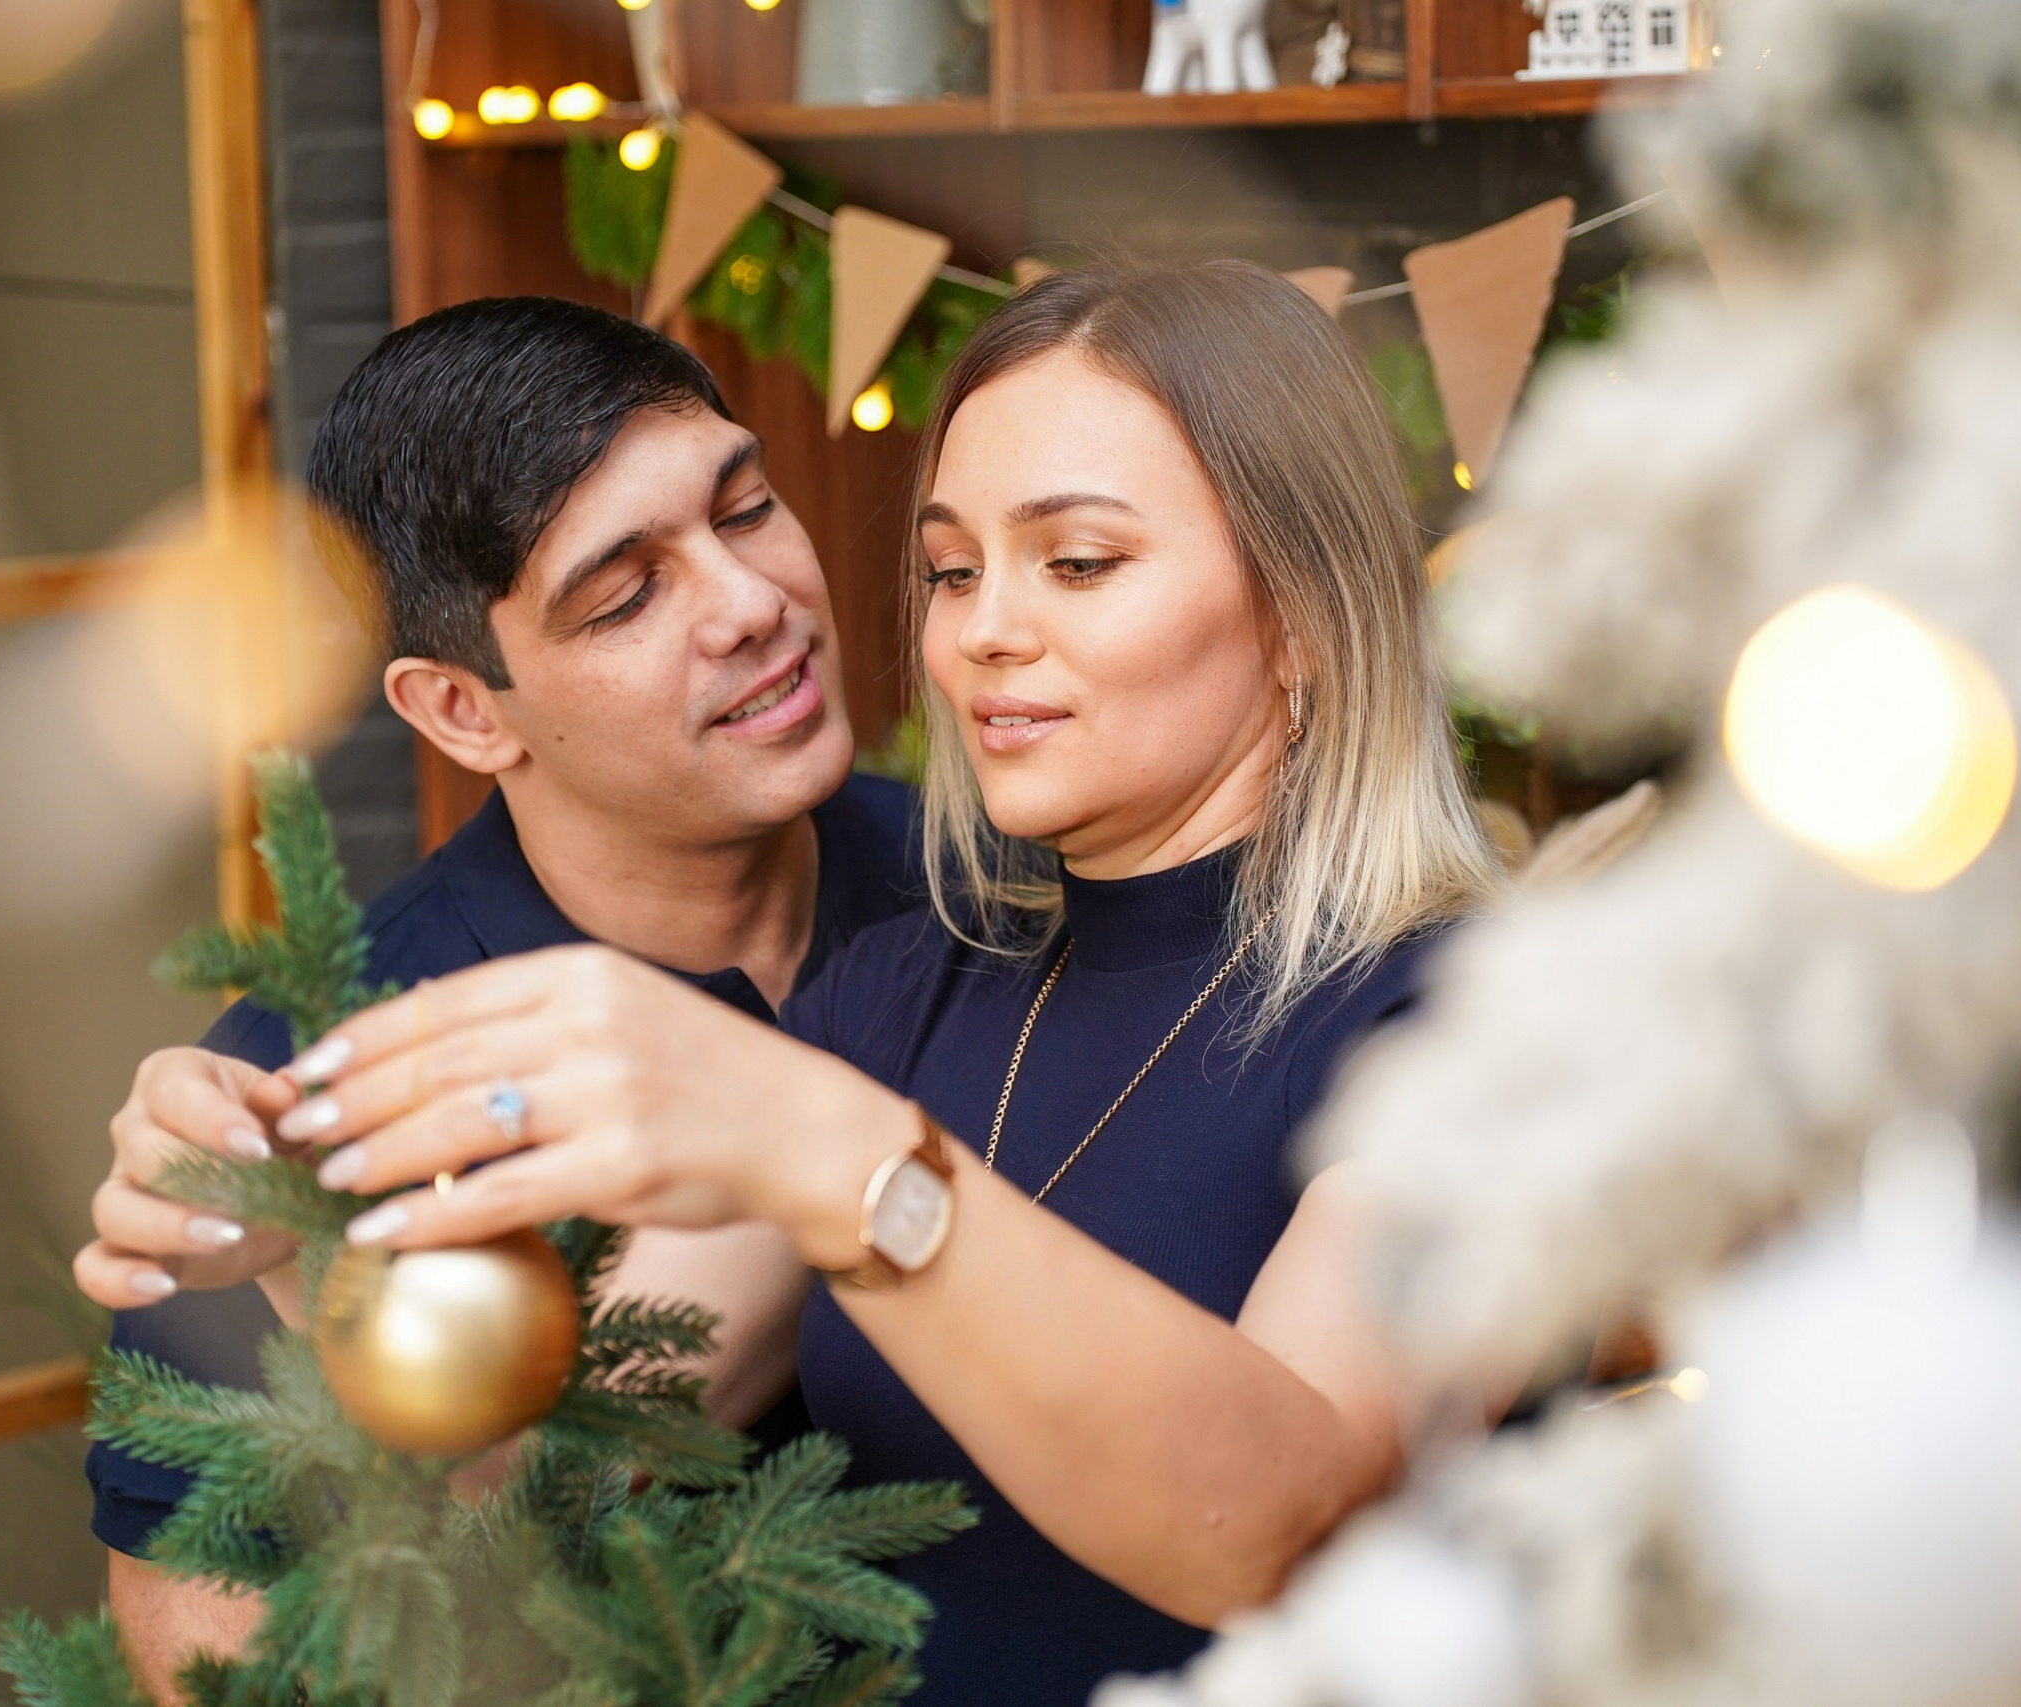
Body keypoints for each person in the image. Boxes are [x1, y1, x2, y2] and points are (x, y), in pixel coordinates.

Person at [249, 261, 1499, 1702]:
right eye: (954, 569)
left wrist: (830, 1156)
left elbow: (1285, 1527)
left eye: (1077, 563)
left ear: (1302, 605)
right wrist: (292, 1245)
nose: (981, 634)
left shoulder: (1488, 1021)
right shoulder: (897, 994)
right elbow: (555, 1486)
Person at [69, 296, 921, 1695]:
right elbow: (212, 1658)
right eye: (629, 594)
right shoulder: (303, 1096)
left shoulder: (995, 899)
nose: (754, 603)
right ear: (464, 710)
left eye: (749, 507)